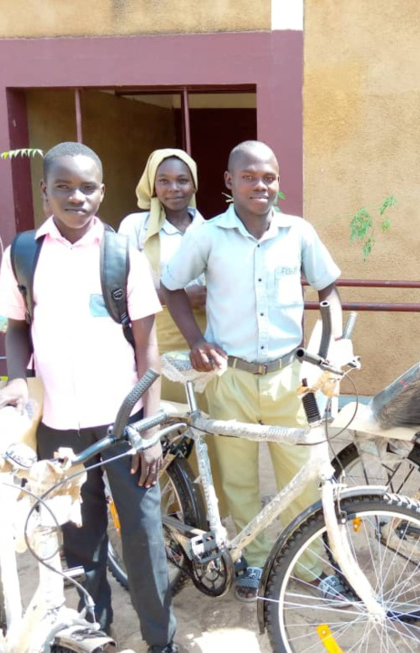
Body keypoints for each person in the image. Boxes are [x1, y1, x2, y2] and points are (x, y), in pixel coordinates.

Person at [0, 142, 177, 653]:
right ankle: (96, 635)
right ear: (44, 191)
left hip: (123, 423)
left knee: (142, 540)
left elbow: (147, 346)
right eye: (63, 187)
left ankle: (161, 642)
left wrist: (150, 429)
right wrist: (15, 381)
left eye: (87, 187)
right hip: (59, 427)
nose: (76, 197)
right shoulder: (25, 254)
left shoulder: (121, 254)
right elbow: (15, 327)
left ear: (102, 192)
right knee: (78, 540)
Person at [160, 140, 344, 603]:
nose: (261, 185)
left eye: (269, 177)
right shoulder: (208, 236)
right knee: (235, 481)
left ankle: (310, 565)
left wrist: (330, 346)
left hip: (290, 378)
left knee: (301, 478)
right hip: (231, 378)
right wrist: (196, 341)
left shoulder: (298, 232)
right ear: (229, 182)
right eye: (249, 177)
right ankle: (252, 560)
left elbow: (329, 292)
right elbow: (171, 286)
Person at [119, 149, 207, 404]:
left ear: (194, 185)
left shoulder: (210, 229)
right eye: (164, 181)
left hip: (206, 334)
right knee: (163, 412)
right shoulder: (135, 227)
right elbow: (123, 289)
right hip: (154, 334)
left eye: (182, 180)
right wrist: (179, 297)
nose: (173, 188)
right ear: (152, 185)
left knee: (204, 415)